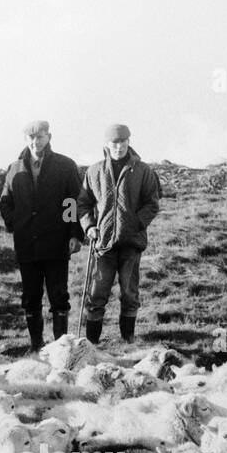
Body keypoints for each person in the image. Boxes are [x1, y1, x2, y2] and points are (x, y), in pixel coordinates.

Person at [0, 119, 84, 351]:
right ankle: (37, 346)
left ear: (49, 137)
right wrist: (16, 222)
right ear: (26, 140)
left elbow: (71, 202)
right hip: (27, 244)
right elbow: (6, 201)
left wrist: (73, 234)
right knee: (31, 297)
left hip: (56, 243)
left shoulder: (65, 165)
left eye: (41, 136)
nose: (36, 142)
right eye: (31, 138)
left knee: (59, 296)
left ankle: (61, 347)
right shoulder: (15, 168)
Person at [76, 123, 162, 344]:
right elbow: (83, 204)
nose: (119, 146)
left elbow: (152, 204)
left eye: (123, 142)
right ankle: (91, 344)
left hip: (131, 244)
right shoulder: (94, 171)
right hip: (103, 244)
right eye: (114, 143)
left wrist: (135, 224)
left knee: (129, 294)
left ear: (128, 142)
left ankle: (128, 342)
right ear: (107, 144)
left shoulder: (143, 171)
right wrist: (89, 226)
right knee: (96, 295)